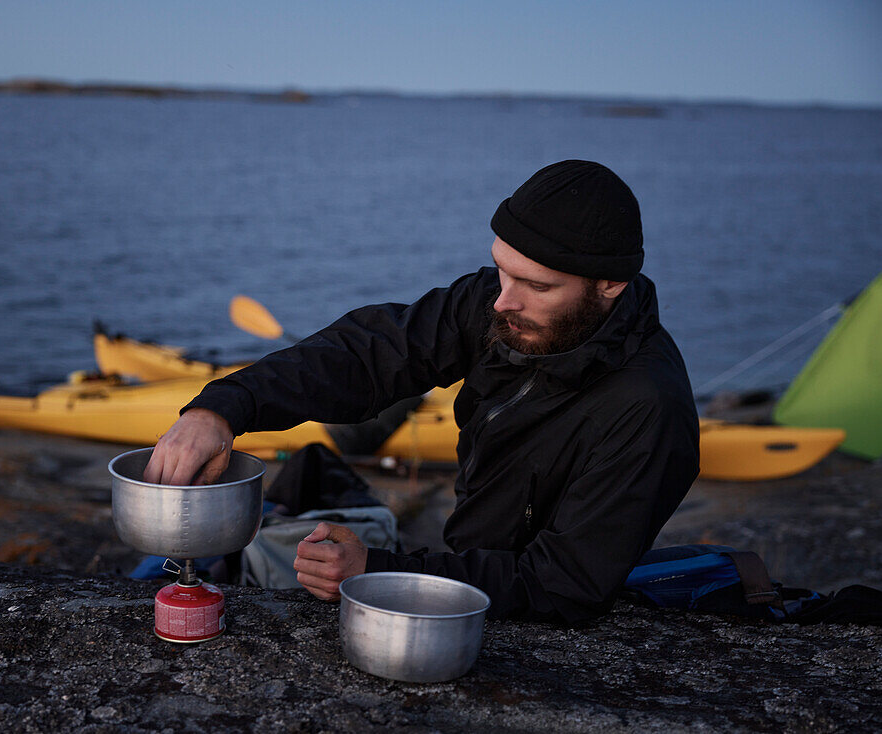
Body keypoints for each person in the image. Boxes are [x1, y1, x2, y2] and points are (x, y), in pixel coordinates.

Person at [145, 160, 700, 625]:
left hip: (523, 620)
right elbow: (365, 357)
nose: (504, 301)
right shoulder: (495, 306)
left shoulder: (648, 407)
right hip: (466, 565)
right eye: (501, 270)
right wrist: (222, 407)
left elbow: (562, 586)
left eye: (537, 286)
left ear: (610, 286)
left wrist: (379, 570)